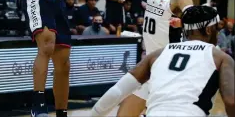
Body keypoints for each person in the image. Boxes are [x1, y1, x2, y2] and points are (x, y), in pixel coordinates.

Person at [91, 6, 235, 117]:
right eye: (217, 28)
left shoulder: (158, 54)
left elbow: (118, 91)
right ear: (209, 30)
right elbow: (231, 102)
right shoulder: (220, 58)